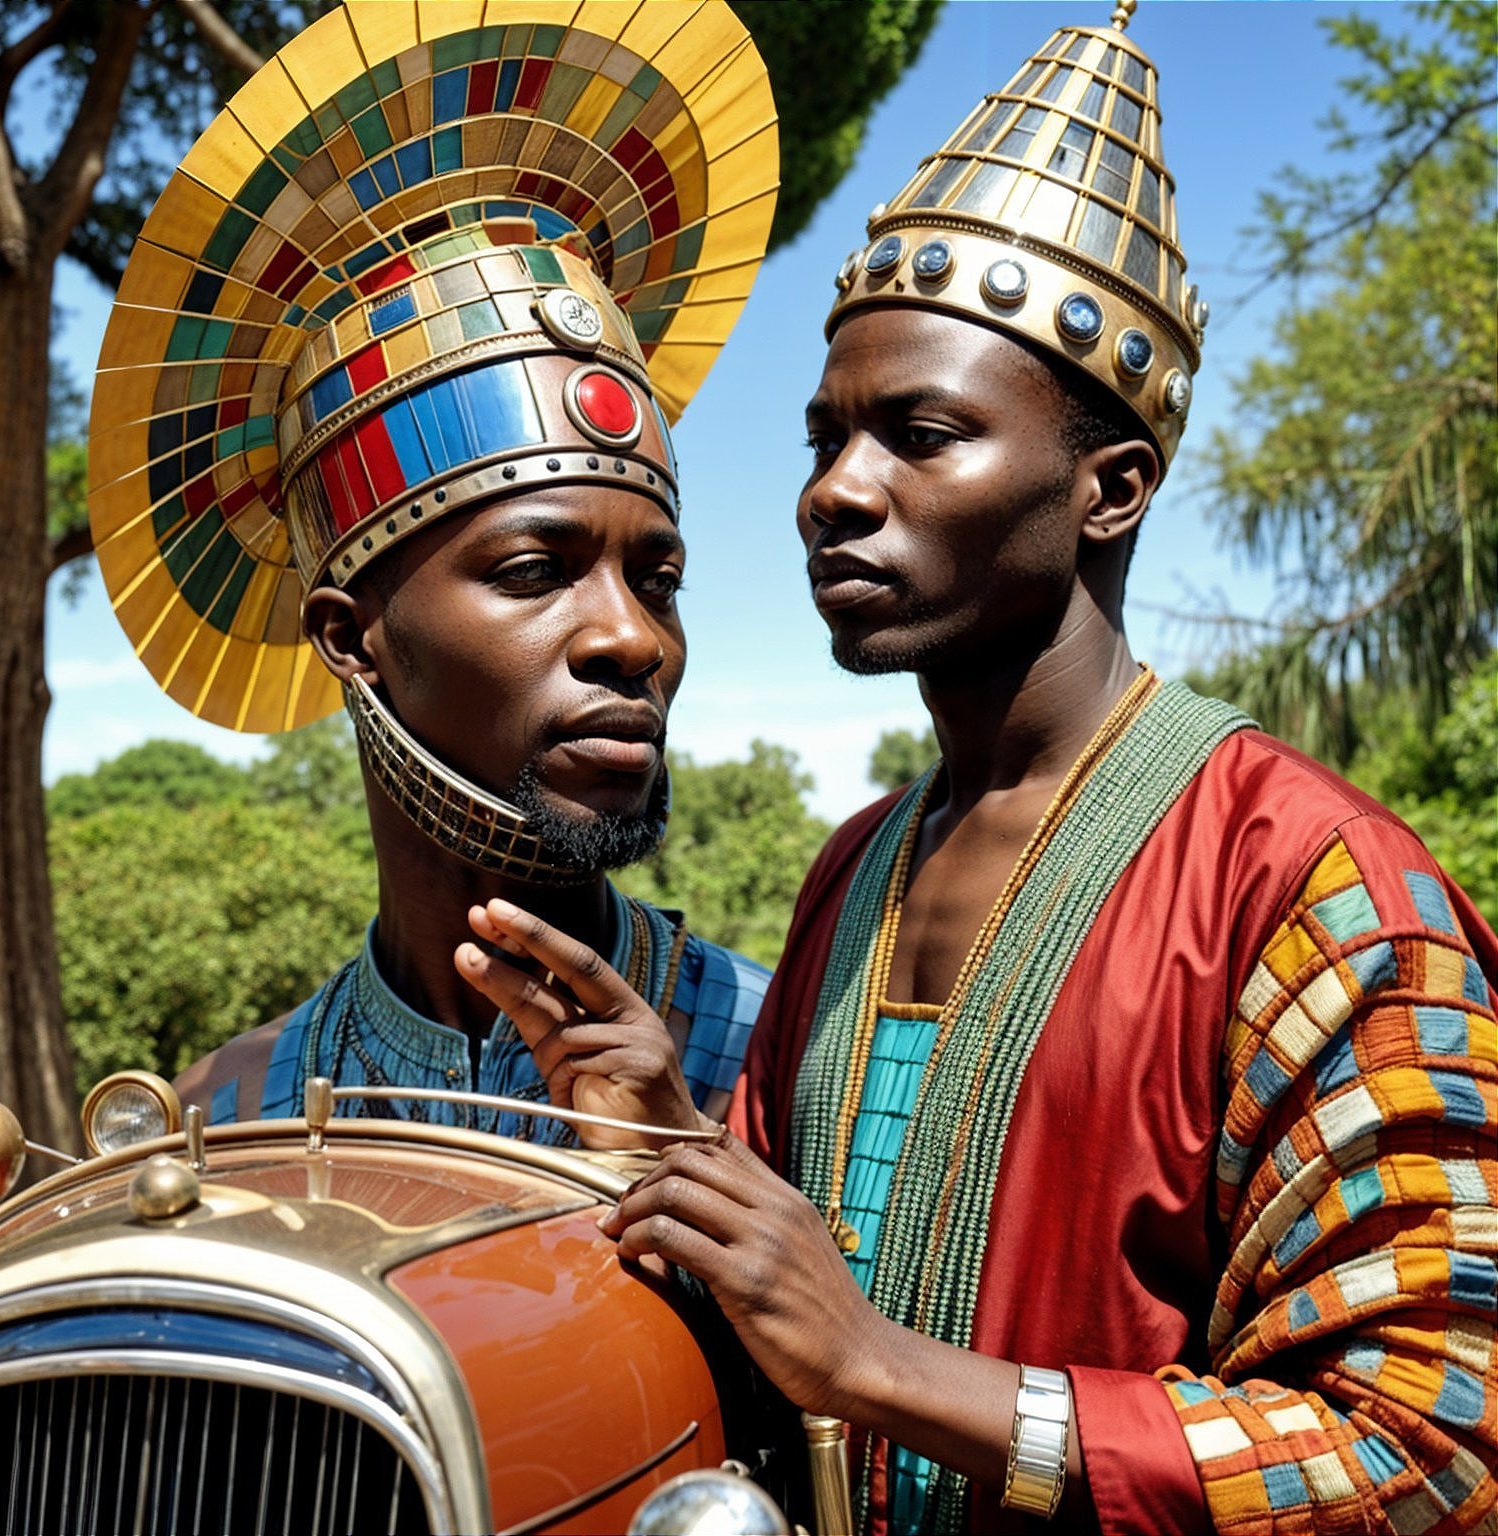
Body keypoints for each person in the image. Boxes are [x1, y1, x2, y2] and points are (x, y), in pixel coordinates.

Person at [458, 5, 1498, 1531]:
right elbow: (796, 1327)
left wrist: (891, 1372)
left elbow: (1432, 1456)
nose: (834, 493)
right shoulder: (858, 867)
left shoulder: (1314, 887)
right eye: (823, 440)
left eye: (919, 435)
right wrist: (681, 1151)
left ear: (1111, 485)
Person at [84, 0, 780, 1146]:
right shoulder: (225, 1119)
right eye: (530, 570)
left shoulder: (792, 1065)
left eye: (657, 580)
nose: (634, 639)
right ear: (351, 638)